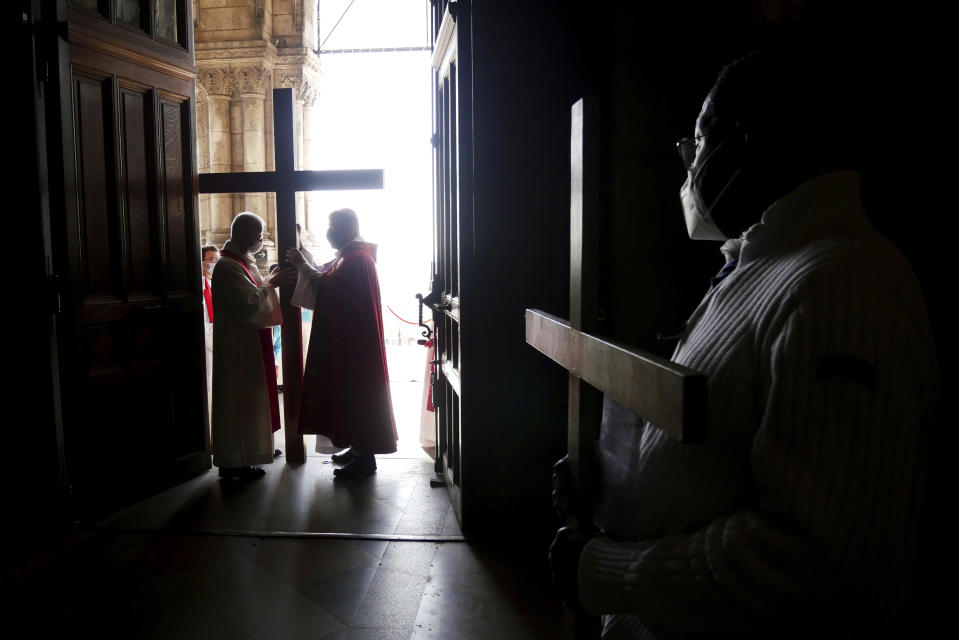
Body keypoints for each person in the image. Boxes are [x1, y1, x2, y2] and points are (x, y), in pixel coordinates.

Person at [550, 49, 937, 638]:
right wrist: (611, 491)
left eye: (698, 144)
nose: (689, 167)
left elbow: (815, 563)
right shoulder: (764, 266)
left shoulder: (842, 287)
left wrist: (607, 573)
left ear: (744, 143)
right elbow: (719, 458)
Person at [286, 209, 397, 478]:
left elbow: (328, 289)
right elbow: (326, 275)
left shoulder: (356, 259)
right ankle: (356, 447)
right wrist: (305, 260)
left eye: (332, 226)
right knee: (349, 397)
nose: (329, 232)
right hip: (350, 343)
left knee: (357, 396)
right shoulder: (350, 255)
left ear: (347, 227)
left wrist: (302, 266)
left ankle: (365, 456)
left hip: (355, 348)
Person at [211, 212, 295, 481]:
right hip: (238, 348)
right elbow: (249, 305)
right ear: (243, 232)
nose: (261, 239)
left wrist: (270, 279)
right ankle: (234, 463)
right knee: (239, 404)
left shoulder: (241, 263)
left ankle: (248, 456)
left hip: (248, 347)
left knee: (250, 403)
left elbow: (257, 288)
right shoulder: (227, 266)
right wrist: (272, 284)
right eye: (258, 233)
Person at [201, 245, 219, 420]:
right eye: (212, 260)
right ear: (201, 262)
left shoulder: (215, 285)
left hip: (218, 343)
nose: (216, 263)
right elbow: (203, 324)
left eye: (218, 260)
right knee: (209, 388)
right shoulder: (201, 287)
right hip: (208, 346)